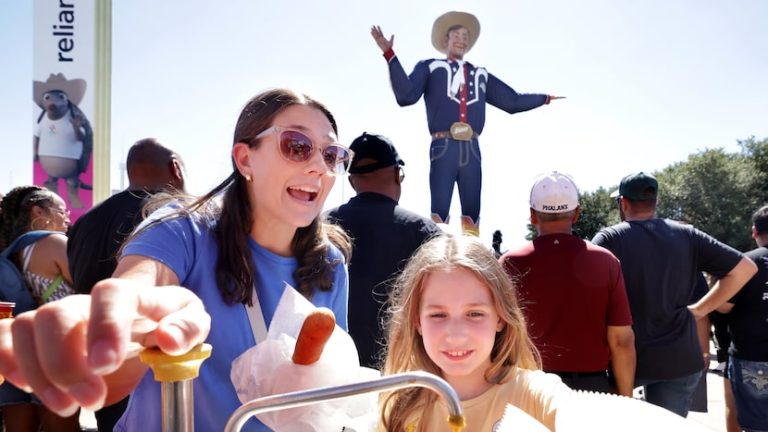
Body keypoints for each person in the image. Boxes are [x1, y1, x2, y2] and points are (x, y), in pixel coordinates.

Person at [0, 88, 354, 431]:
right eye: (297, 146)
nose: (319, 168)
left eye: (331, 155)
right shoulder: (184, 229)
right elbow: (141, 289)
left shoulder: (330, 265)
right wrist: (110, 330)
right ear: (245, 158)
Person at [371, 11, 563, 235]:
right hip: (444, 146)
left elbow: (511, 101)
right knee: (439, 213)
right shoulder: (431, 67)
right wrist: (390, 55)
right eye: (457, 35)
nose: (462, 39)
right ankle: (439, 255)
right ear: (445, 40)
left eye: (465, 36)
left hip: (472, 147)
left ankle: (470, 257)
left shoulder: (479, 74)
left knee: (472, 215)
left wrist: (543, 98)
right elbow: (406, 96)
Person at [592, 171, 757, 417]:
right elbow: (745, 268)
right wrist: (699, 310)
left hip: (627, 357)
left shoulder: (609, 239)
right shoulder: (686, 235)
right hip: (679, 356)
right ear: (655, 202)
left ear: (623, 203)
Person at [380, 234, 572, 431]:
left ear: (499, 317)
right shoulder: (399, 409)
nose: (456, 336)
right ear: (417, 321)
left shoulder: (535, 397)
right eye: (438, 315)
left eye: (474, 314)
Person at [66, 138, 185, 431]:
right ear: (176, 169)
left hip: (103, 369)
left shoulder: (84, 222)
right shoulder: (179, 217)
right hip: (162, 375)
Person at [501, 172, 636, 395]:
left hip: (529, 389)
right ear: (576, 214)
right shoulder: (606, 261)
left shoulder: (509, 263)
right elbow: (621, 342)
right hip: (591, 390)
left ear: (533, 216)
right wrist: (625, 399)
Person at [325, 132, 440, 368]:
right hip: (403, 376)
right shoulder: (423, 232)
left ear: (351, 180)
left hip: (331, 377)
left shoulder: (318, 228)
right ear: (398, 174)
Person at [0, 185, 80, 431]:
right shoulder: (54, 243)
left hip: (14, 352)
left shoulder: (8, 253)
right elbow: (86, 287)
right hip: (55, 353)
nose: (67, 217)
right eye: (62, 210)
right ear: (38, 211)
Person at [716, 204, 768, 431]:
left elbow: (723, 306)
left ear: (754, 232)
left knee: (756, 426)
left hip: (752, 357)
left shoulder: (747, 264)